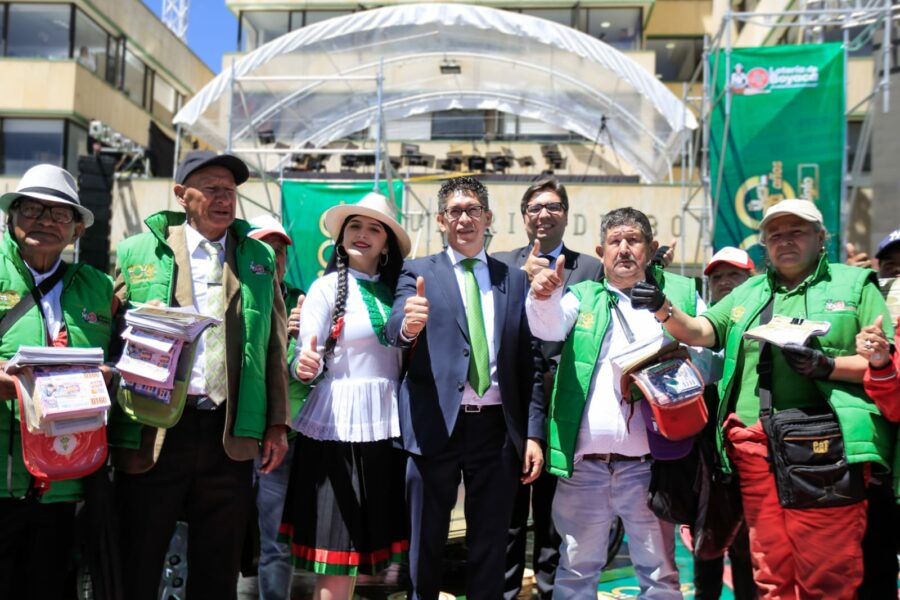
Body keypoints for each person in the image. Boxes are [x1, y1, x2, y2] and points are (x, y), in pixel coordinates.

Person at [632, 199, 894, 599]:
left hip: (826, 449)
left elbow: (882, 362)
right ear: (765, 246)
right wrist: (661, 307)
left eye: (796, 232)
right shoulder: (749, 291)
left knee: (828, 574)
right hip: (754, 448)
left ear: (821, 238)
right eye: (774, 235)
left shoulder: (855, 285)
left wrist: (827, 365)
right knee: (769, 571)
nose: (784, 241)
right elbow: (702, 330)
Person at [110, 150, 290, 600]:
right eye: (212, 188)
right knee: (139, 559)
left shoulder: (258, 257)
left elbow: (273, 344)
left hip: (227, 430)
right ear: (182, 195)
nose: (224, 199)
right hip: (155, 427)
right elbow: (107, 334)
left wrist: (276, 423)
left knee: (218, 568)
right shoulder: (138, 251)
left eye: (230, 191)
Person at [527, 206, 709, 599]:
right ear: (600, 251)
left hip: (650, 469)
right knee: (575, 573)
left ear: (651, 247)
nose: (624, 249)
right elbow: (547, 326)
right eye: (615, 241)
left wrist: (669, 328)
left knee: (661, 575)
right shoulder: (582, 295)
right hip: (584, 471)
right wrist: (542, 296)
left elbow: (709, 359)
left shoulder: (681, 293)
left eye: (634, 240)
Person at [385, 176, 545, 600]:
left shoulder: (514, 280)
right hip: (435, 424)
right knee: (427, 540)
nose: (464, 219)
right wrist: (408, 323)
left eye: (473, 209)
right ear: (441, 220)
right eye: (454, 211)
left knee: (492, 545)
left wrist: (533, 433)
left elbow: (530, 361)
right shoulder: (417, 272)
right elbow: (395, 327)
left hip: (496, 431)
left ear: (488, 217)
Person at [279, 192, 410, 600]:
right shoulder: (323, 288)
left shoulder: (401, 292)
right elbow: (309, 355)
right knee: (336, 559)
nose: (363, 234)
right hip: (337, 432)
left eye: (375, 228)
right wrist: (306, 364)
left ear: (387, 242)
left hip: (388, 432)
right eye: (355, 226)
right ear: (340, 237)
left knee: (371, 559)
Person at [0, 164, 115, 599]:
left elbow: (120, 361)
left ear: (78, 231)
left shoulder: (99, 286)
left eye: (61, 214)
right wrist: (23, 388)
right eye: (32, 209)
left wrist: (109, 377)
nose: (46, 220)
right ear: (12, 218)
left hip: (66, 483)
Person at [492, 177, 602, 600]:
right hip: (512, 404)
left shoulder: (589, 269)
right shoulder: (501, 266)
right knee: (509, 513)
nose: (544, 214)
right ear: (523, 217)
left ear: (566, 215)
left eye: (553, 206)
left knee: (557, 516)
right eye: (535, 207)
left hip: (569, 404)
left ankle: (550, 591)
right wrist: (520, 279)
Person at [246, 215, 305, 600]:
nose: (274, 258)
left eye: (280, 251)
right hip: (233, 433)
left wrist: (304, 337)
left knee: (276, 541)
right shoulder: (235, 296)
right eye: (265, 250)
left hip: (282, 436)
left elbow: (306, 374)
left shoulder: (304, 301)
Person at [693, 247, 756, 600]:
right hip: (708, 458)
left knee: (748, 551)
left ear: (753, 280)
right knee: (706, 543)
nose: (725, 283)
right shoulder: (697, 330)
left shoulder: (766, 321)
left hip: (751, 453)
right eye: (717, 277)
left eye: (734, 275)